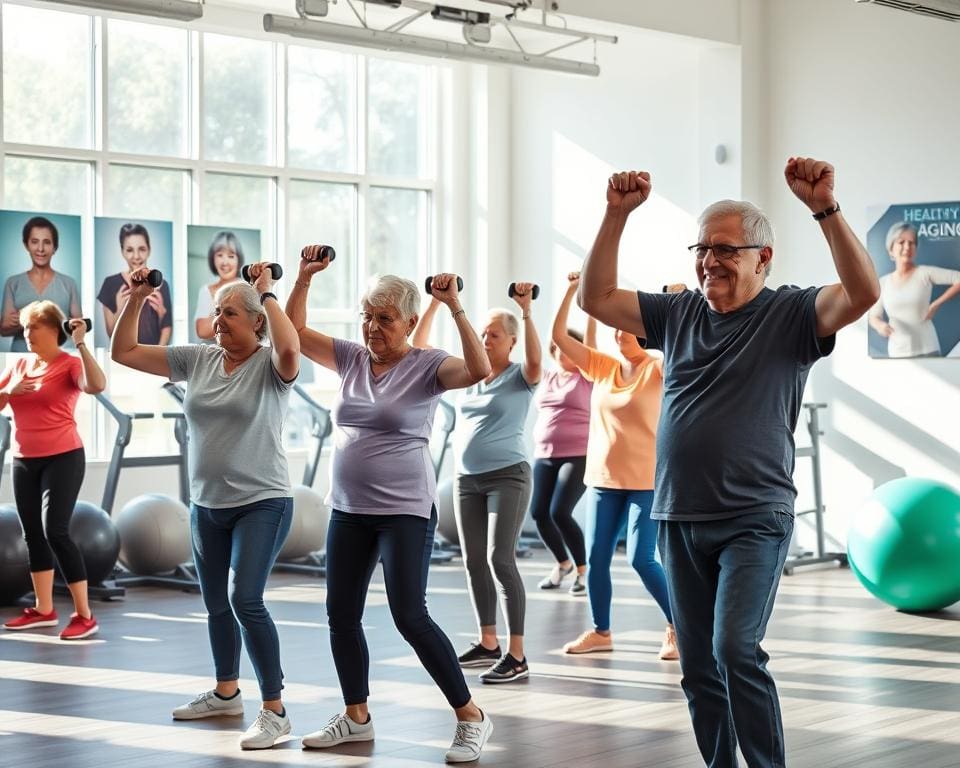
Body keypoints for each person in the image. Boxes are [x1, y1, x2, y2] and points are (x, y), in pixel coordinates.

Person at [578, 158, 880, 768]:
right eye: (701, 248)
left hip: (754, 516)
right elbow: (597, 297)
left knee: (734, 649)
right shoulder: (679, 312)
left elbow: (863, 293)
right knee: (696, 667)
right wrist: (615, 216)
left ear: (762, 258)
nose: (709, 260)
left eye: (725, 249)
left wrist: (825, 210)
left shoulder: (792, 315)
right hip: (679, 515)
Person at [286, 248, 494, 762]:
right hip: (349, 510)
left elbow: (479, 368)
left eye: (384, 319)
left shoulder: (427, 366)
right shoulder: (352, 357)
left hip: (405, 510)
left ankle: (471, 716)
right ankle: (356, 717)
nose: (372, 327)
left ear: (407, 321)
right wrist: (304, 278)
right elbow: (290, 333)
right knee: (341, 615)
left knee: (409, 614)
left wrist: (454, 306)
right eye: (367, 316)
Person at [110, 263, 300, 750]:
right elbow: (124, 352)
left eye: (230, 313)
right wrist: (135, 297)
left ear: (256, 321)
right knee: (215, 601)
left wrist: (267, 293)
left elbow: (290, 347)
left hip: (263, 501)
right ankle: (225, 691)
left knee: (245, 599)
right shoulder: (199, 359)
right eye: (216, 311)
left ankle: (275, 710)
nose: (218, 320)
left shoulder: (271, 364)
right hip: (207, 504)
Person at [414, 283, 542, 684]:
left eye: (493, 334)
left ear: (511, 341)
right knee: (472, 561)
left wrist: (525, 310)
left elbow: (538, 359)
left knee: (499, 558)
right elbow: (419, 350)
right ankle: (489, 642)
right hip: (467, 479)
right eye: (483, 334)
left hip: (509, 474)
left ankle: (517, 654)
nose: (486, 340)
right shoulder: (469, 374)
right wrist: (436, 303)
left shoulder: (522, 375)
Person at [553, 272, 677, 661]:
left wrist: (673, 307)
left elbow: (682, 348)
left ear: (643, 334)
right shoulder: (603, 367)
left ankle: (679, 627)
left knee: (642, 558)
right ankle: (601, 631)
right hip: (604, 480)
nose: (617, 334)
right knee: (596, 558)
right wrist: (571, 291)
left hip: (646, 480)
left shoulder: (657, 368)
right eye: (616, 329)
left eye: (625, 329)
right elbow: (559, 337)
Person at [1, 301, 105, 639]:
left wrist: (81, 342)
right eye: (25, 328)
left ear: (53, 330)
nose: (27, 334)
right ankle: (44, 610)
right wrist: (8, 391)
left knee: (55, 531)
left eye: (34, 327)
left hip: (63, 456)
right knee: (31, 533)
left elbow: (97, 385)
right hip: (24, 459)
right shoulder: (19, 365)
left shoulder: (70, 364)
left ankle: (84, 615)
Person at [529, 285, 596, 597]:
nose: (561, 352)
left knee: (560, 512)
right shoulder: (547, 376)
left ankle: (583, 571)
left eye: (569, 347)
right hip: (544, 453)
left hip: (578, 453)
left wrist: (578, 294)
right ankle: (562, 564)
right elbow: (553, 336)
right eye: (558, 348)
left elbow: (591, 344)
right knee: (539, 513)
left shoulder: (587, 376)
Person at [867, 221, 960, 358]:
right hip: (898, 352)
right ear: (891, 249)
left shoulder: (925, 273)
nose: (907, 247)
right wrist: (880, 326)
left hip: (928, 349)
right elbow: (873, 316)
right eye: (901, 242)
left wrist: (936, 304)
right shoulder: (884, 283)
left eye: (912, 243)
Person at [1, 216, 82, 352]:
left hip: (60, 357)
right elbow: (4, 328)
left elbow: (78, 327)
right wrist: (55, 320)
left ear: (55, 247)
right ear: (26, 244)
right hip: (21, 357)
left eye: (47, 242)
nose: (40, 248)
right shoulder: (13, 283)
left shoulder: (69, 284)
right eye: (34, 242)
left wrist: (24, 317)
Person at [97, 223, 172, 345]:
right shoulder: (110, 283)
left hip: (152, 356)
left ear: (149, 250)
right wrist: (120, 308)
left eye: (141, 249)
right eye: (130, 250)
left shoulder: (162, 284)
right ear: (122, 252)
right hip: (123, 357)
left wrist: (162, 314)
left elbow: (166, 329)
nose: (136, 256)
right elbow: (111, 334)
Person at [195, 230, 245, 341]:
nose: (224, 262)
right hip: (212, 354)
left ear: (238, 260)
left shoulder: (248, 289)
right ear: (213, 259)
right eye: (220, 255)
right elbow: (202, 331)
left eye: (231, 256)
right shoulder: (206, 290)